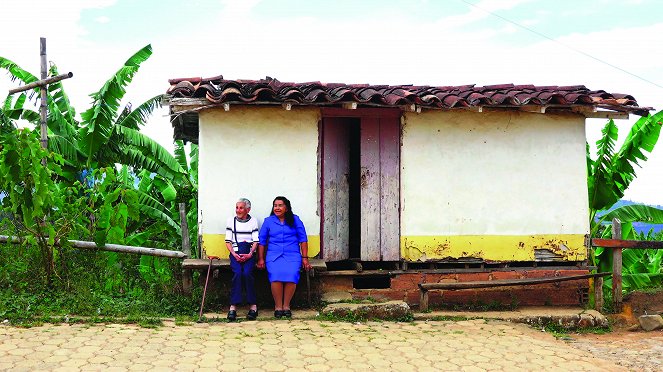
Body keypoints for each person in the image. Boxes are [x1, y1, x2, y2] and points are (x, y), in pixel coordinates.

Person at [257, 196, 312, 318]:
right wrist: (261, 258)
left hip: (292, 255)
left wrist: (305, 258)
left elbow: (303, 239)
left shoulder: (295, 220)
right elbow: (262, 241)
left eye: (280, 205)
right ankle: (278, 306)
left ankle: (286, 306)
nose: (277, 208)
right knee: (275, 276)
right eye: (275, 205)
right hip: (273, 255)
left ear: (286, 208)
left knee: (292, 276)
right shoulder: (268, 221)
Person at [224, 198, 259, 321]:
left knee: (248, 273)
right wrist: (234, 254)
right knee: (238, 273)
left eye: (241, 208)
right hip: (236, 253)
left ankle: (253, 306)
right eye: (237, 207)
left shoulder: (253, 221)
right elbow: (228, 241)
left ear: (248, 209)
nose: (238, 210)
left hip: (249, 253)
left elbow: (255, 241)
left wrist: (250, 254)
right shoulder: (231, 221)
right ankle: (233, 306)